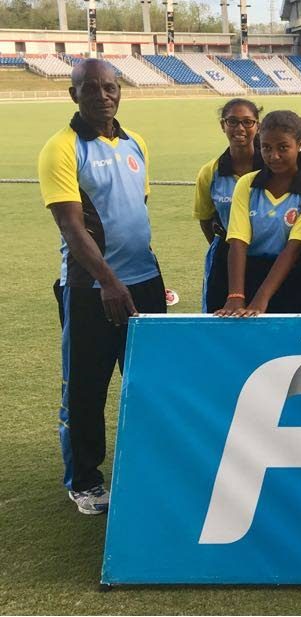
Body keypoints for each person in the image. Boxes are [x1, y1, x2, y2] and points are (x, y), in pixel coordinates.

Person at [38, 58, 166, 514]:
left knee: (150, 380)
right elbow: (73, 228)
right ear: (73, 94)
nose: (101, 95)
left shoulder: (136, 142)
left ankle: (147, 466)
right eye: (89, 88)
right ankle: (85, 481)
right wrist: (109, 281)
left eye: (109, 87)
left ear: (120, 91)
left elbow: (134, 212)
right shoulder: (62, 148)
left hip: (146, 283)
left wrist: (142, 276)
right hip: (92, 290)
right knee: (86, 389)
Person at [217, 110, 301, 316]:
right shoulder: (246, 184)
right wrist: (236, 296)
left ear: (300, 145)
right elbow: (238, 241)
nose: (273, 156)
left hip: (293, 279)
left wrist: (261, 300)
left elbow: (293, 249)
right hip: (246, 275)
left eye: (283, 148)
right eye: (266, 148)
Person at [193, 98, 263, 313]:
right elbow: (206, 219)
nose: (240, 128)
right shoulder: (210, 172)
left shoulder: (272, 167)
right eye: (232, 122)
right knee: (221, 316)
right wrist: (228, 245)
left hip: (266, 256)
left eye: (247, 122)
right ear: (223, 125)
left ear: (257, 125)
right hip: (226, 257)